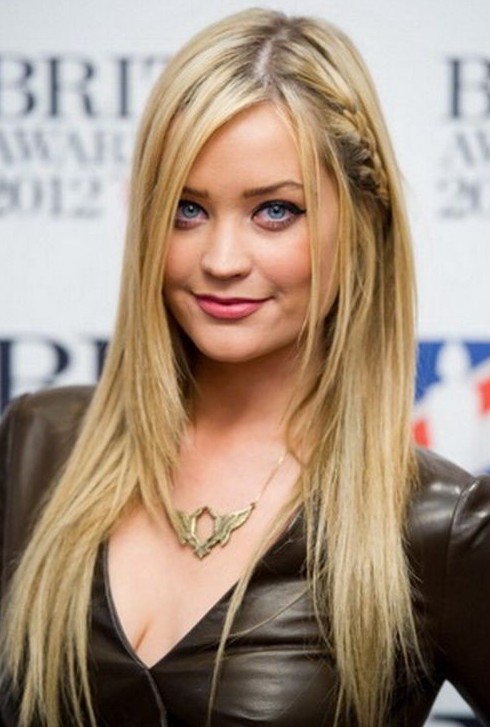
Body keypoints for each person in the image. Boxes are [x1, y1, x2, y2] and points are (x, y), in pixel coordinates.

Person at [1, 8, 489, 727]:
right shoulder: (38, 443)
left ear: (361, 223)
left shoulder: (436, 524)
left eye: (274, 212)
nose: (222, 260)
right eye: (187, 209)